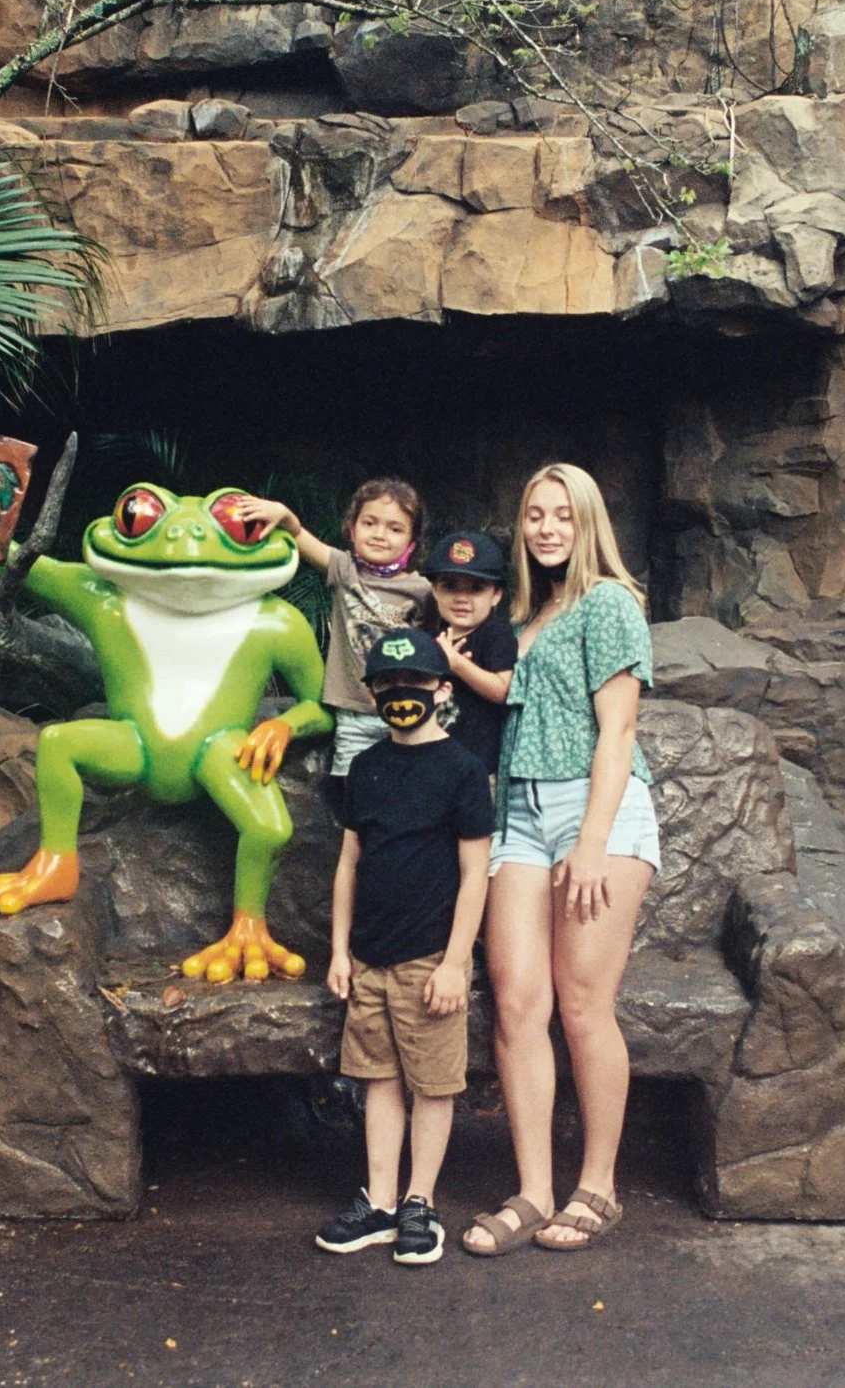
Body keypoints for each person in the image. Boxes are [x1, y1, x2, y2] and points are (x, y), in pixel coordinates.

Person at [463, 462, 659, 1256]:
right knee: (517, 1004)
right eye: (534, 515)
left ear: (588, 524)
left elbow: (618, 731)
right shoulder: (525, 612)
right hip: (517, 814)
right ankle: (535, 1189)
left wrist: (589, 842)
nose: (546, 528)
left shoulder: (610, 603)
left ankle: (598, 1186)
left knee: (582, 1003)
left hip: (593, 811)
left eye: (562, 516)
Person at [314, 628, 494, 1266]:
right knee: (377, 1079)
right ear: (371, 694)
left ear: (442, 689)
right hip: (369, 958)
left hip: (427, 961)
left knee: (433, 1083)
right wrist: (340, 952)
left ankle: (421, 1200)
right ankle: (382, 1201)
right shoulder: (366, 769)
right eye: (387, 685)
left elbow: (476, 873)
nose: (400, 695)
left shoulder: (463, 770)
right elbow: (349, 864)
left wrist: (454, 962)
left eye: (414, 683)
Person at [236, 481, 432, 788]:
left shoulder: (422, 590)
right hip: (354, 714)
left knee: (407, 789)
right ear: (352, 529)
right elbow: (300, 536)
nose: (380, 534)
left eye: (395, 529)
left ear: (412, 541)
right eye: (370, 523)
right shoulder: (345, 570)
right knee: (355, 794)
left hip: (406, 709)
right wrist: (284, 516)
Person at [425, 529, 518, 778]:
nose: (462, 598)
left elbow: (503, 690)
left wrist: (456, 664)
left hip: (478, 769)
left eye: (476, 588)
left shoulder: (495, 633)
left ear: (496, 594)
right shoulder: (429, 636)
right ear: (434, 589)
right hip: (431, 762)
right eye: (450, 586)